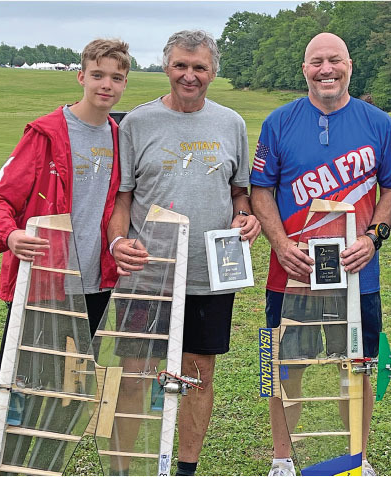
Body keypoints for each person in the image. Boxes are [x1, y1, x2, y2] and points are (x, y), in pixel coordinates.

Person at [250, 32, 391, 477]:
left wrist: (374, 237)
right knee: (284, 367)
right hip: (293, 272)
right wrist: (280, 245)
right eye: (316, 61)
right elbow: (261, 192)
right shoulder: (279, 122)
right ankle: (282, 458)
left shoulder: (378, 122)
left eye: (334, 60)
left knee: (357, 367)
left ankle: (356, 457)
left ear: (350, 65)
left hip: (358, 273)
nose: (326, 69)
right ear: (305, 69)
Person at [106, 30, 260, 476]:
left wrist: (244, 217)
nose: (189, 76)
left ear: (213, 72)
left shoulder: (231, 123)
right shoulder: (136, 123)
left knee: (197, 375)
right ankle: (125, 468)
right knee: (134, 375)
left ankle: (186, 469)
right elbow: (122, 198)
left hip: (208, 273)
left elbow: (239, 193)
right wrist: (119, 243)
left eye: (199, 67)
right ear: (166, 66)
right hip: (148, 274)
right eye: (180, 65)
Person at [0, 38, 130, 470]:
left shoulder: (119, 136)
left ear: (125, 83)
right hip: (44, 286)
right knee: (20, 393)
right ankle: (4, 464)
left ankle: (44, 468)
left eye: (116, 77)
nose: (106, 85)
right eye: (98, 75)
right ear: (81, 76)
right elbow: (0, 200)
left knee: (74, 395)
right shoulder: (45, 134)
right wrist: (11, 236)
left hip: (95, 288)